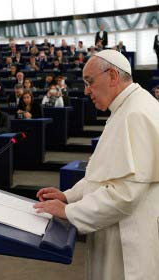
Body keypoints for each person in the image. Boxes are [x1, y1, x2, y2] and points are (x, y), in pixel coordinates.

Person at [34, 50, 159, 280]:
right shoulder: (125, 107)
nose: (86, 91)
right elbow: (102, 174)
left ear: (112, 76)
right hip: (115, 232)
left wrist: (69, 211)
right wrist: (68, 196)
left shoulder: (136, 113)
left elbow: (125, 194)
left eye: (90, 82)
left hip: (127, 245)